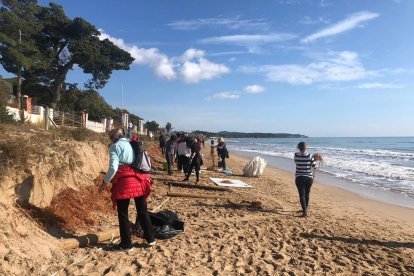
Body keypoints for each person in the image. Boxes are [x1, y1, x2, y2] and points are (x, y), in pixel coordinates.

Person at [99, 128, 155, 250]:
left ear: (113, 138)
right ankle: (151, 239)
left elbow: (113, 168)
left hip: (124, 182)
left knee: (123, 213)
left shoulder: (114, 147)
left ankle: (126, 244)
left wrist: (104, 183)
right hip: (138, 179)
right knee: (142, 211)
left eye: (110, 138)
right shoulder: (131, 144)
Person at [294, 142, 316, 217]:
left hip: (299, 177)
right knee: (307, 194)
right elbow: (314, 166)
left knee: (301, 194)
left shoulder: (296, 155)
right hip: (309, 178)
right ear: (306, 148)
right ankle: (305, 209)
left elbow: (296, 162)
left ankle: (304, 211)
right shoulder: (310, 156)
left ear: (298, 148)